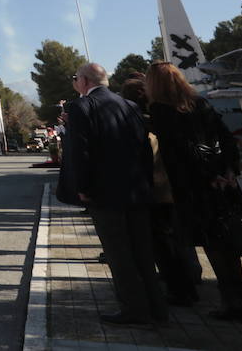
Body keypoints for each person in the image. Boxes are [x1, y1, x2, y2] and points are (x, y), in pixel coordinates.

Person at [146, 62, 242, 323]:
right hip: (223, 185)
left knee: (214, 244)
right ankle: (241, 299)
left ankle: (234, 304)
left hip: (195, 188)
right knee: (227, 243)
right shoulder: (201, 103)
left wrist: (209, 174)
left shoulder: (161, 110)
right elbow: (225, 139)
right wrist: (228, 170)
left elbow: (182, 150)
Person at [61, 62, 166, 327]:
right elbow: (144, 150)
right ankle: (157, 308)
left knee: (119, 253)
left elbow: (79, 153)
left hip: (104, 194)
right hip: (137, 190)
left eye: (76, 78)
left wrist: (82, 187)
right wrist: (145, 182)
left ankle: (135, 310)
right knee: (142, 251)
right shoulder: (129, 106)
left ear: (84, 81)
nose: (75, 83)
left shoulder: (81, 107)